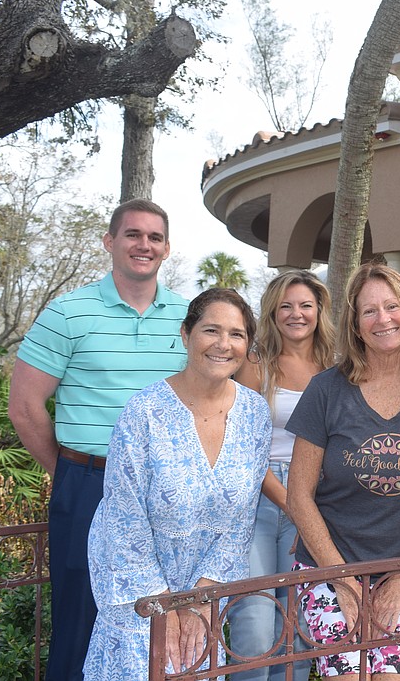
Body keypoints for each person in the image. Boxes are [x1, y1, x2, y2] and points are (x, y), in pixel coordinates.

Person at [9, 199, 188, 680]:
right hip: (91, 487)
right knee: (82, 622)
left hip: (167, 493)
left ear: (167, 249)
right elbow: (25, 408)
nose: (143, 245)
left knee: (165, 625)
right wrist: (71, 472)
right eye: (132, 234)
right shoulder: (67, 313)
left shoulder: (190, 320)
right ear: (110, 242)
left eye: (154, 237)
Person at [286, 263, 400, 681]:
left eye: (392, 306)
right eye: (369, 311)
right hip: (329, 564)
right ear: (355, 324)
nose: (383, 319)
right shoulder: (326, 390)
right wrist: (343, 580)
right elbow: (299, 496)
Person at [82, 288, 271, 679]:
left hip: (207, 594)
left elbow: (241, 520)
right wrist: (162, 605)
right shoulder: (144, 412)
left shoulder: (255, 413)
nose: (223, 344)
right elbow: (123, 516)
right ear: (186, 334)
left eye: (236, 334)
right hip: (137, 594)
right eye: (210, 330)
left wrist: (200, 600)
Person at [228, 270, 335, 681]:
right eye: (286, 306)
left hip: (318, 496)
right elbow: (244, 447)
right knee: (255, 623)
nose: (296, 314)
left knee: (301, 627)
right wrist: (292, 502)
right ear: (272, 313)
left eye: (306, 305)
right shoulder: (256, 364)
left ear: (319, 310)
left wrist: (309, 505)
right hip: (260, 497)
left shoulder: (335, 367)